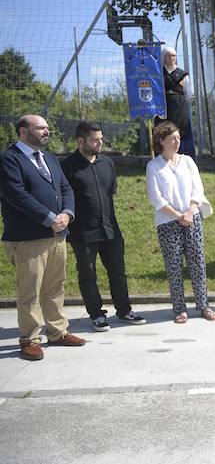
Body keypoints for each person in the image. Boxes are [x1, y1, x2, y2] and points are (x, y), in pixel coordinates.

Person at [0, 115, 86, 361]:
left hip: (58, 234)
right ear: (23, 131)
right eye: (40, 128)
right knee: (30, 290)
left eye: (47, 128)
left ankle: (57, 332)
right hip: (29, 237)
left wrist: (67, 215)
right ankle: (30, 339)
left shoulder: (49, 158)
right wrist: (50, 218)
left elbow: (66, 188)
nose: (46, 131)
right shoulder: (9, 159)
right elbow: (16, 195)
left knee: (54, 287)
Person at [61, 122, 145, 332]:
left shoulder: (107, 163)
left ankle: (124, 310)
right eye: (95, 139)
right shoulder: (67, 166)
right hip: (82, 232)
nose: (100, 142)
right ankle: (96, 315)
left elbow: (111, 192)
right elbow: (64, 197)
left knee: (118, 272)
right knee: (88, 275)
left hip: (110, 228)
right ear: (81, 141)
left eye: (101, 138)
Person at [145, 121, 215, 323]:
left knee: (197, 262)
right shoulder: (154, 166)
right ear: (162, 141)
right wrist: (178, 215)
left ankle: (203, 305)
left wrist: (190, 212)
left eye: (178, 138)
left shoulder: (187, 161)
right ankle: (179, 308)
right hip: (168, 222)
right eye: (172, 139)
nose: (177, 142)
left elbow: (198, 190)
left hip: (192, 218)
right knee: (174, 265)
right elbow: (156, 198)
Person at [155, 45, 195, 156]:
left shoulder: (182, 74)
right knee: (163, 131)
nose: (172, 58)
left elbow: (188, 93)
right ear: (164, 57)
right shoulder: (158, 74)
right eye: (169, 56)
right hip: (164, 107)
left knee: (181, 131)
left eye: (174, 56)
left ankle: (183, 155)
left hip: (179, 108)